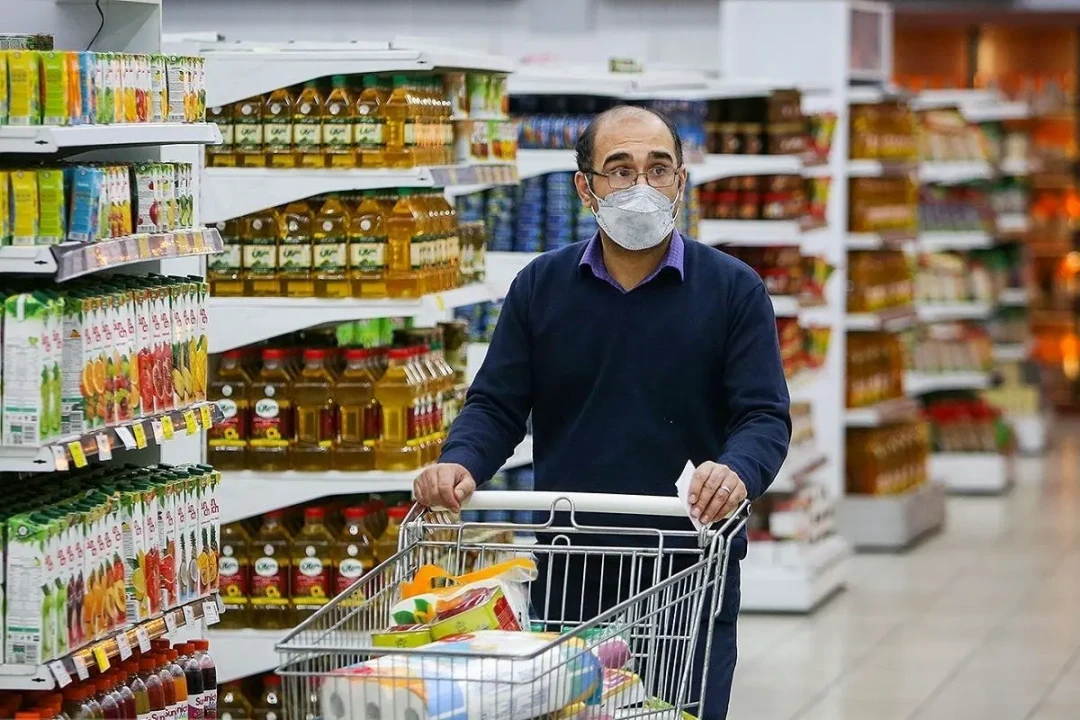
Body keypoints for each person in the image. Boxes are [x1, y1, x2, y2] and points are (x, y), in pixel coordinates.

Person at [413, 105, 791, 719]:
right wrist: (460, 461)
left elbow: (764, 416)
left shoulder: (733, 289)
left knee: (679, 710)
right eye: (620, 170)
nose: (642, 186)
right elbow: (497, 404)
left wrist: (737, 471)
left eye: (658, 169)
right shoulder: (541, 286)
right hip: (574, 557)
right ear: (585, 187)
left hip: (688, 565)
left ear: (680, 181)